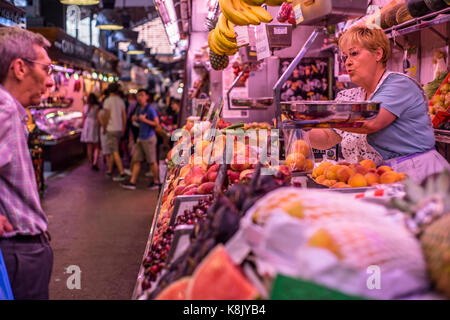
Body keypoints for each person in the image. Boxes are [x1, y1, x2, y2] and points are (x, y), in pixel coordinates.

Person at [308, 25, 449, 183]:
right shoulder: (351, 96)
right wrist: (299, 126)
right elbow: (327, 137)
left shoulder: (399, 85)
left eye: (354, 53)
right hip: (381, 178)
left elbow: (370, 123)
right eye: (345, 57)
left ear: (378, 53)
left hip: (419, 175)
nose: (347, 62)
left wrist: (316, 115)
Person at [0, 27, 54, 299]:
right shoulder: (4, 107)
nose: (50, 81)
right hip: (18, 253)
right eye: (47, 69)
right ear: (19, 68)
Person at [121, 88, 161, 190]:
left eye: (142, 95)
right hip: (141, 137)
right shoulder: (139, 108)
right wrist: (136, 118)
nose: (140, 97)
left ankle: (156, 182)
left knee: (152, 161)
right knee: (137, 160)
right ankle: (132, 182)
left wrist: (144, 120)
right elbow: (137, 119)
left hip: (149, 138)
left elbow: (156, 123)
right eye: (138, 95)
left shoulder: (150, 109)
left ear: (147, 96)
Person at [102, 83, 127, 181]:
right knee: (114, 149)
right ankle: (109, 170)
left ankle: (122, 172)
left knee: (115, 151)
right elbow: (124, 116)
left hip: (111, 129)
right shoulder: (121, 101)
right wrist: (123, 127)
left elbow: (106, 116)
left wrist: (104, 127)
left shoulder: (107, 101)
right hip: (119, 129)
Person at [80, 93, 100, 170]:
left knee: (89, 146)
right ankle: (95, 162)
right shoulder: (97, 107)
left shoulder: (85, 107)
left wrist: (81, 125)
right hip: (94, 125)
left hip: (87, 125)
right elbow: (98, 118)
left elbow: (83, 118)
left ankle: (91, 163)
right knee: (96, 146)